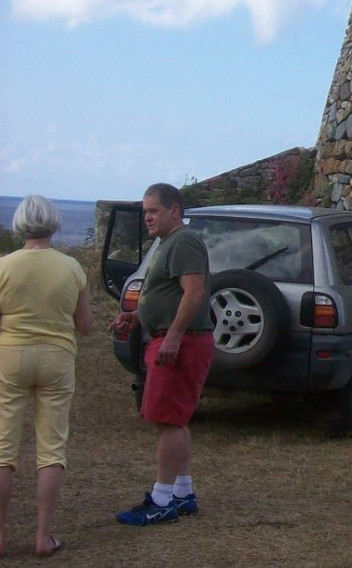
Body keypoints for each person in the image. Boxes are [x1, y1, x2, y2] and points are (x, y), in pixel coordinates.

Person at [108, 183, 215, 526]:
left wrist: (173, 336)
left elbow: (193, 293)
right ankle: (182, 493)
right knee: (174, 419)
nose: (147, 218)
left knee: (166, 420)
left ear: (174, 210)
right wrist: (138, 316)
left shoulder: (184, 241)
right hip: (171, 338)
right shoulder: (167, 243)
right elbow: (168, 294)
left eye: (153, 211)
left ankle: (161, 500)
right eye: (145, 212)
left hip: (181, 344)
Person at [0, 195, 93, 558]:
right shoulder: (71, 268)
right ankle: (43, 535)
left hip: (10, 357)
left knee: (4, 450)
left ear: (21, 224)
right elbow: (85, 327)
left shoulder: (4, 266)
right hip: (56, 357)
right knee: (51, 448)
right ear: (53, 224)